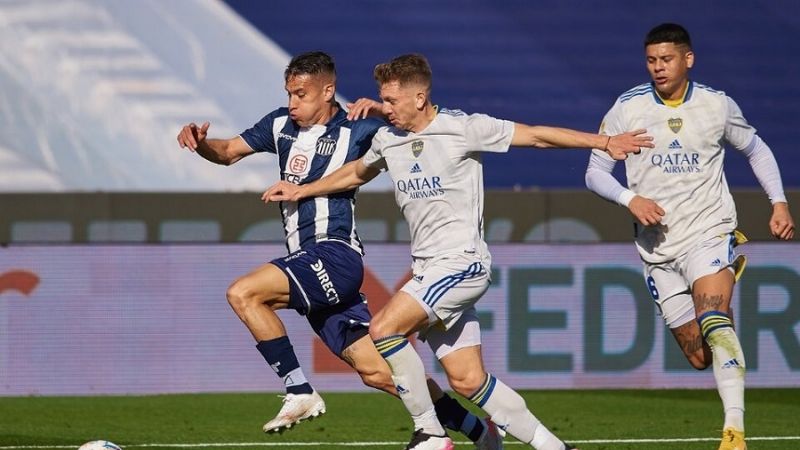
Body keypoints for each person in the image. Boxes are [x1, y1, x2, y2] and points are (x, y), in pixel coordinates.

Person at [263, 53, 652, 450]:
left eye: (392, 101)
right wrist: (302, 190)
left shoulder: (464, 128)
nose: (385, 108)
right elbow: (356, 172)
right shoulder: (388, 140)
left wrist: (605, 142)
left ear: (419, 98)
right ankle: (553, 447)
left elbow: (536, 135)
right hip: (428, 270)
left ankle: (430, 433)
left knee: (383, 329)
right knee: (468, 380)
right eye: (383, 99)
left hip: (462, 263)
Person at [176, 51, 503, 449]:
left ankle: (299, 389)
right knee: (380, 373)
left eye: (301, 94)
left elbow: (418, 128)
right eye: (289, 93)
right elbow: (227, 152)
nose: (292, 103)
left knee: (243, 293)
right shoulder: (279, 125)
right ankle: (478, 431)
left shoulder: (357, 128)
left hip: (334, 254)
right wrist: (201, 143)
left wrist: (382, 111)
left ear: (328, 90)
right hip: (306, 260)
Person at [585, 23, 795, 450]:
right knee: (699, 355)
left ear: (688, 59)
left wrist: (779, 202)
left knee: (714, 319)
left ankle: (734, 432)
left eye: (666, 59)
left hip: (708, 232)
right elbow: (595, 173)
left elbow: (756, 149)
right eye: (651, 60)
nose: (658, 68)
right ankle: (719, 328)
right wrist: (629, 199)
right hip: (657, 249)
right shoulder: (627, 107)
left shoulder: (717, 105)